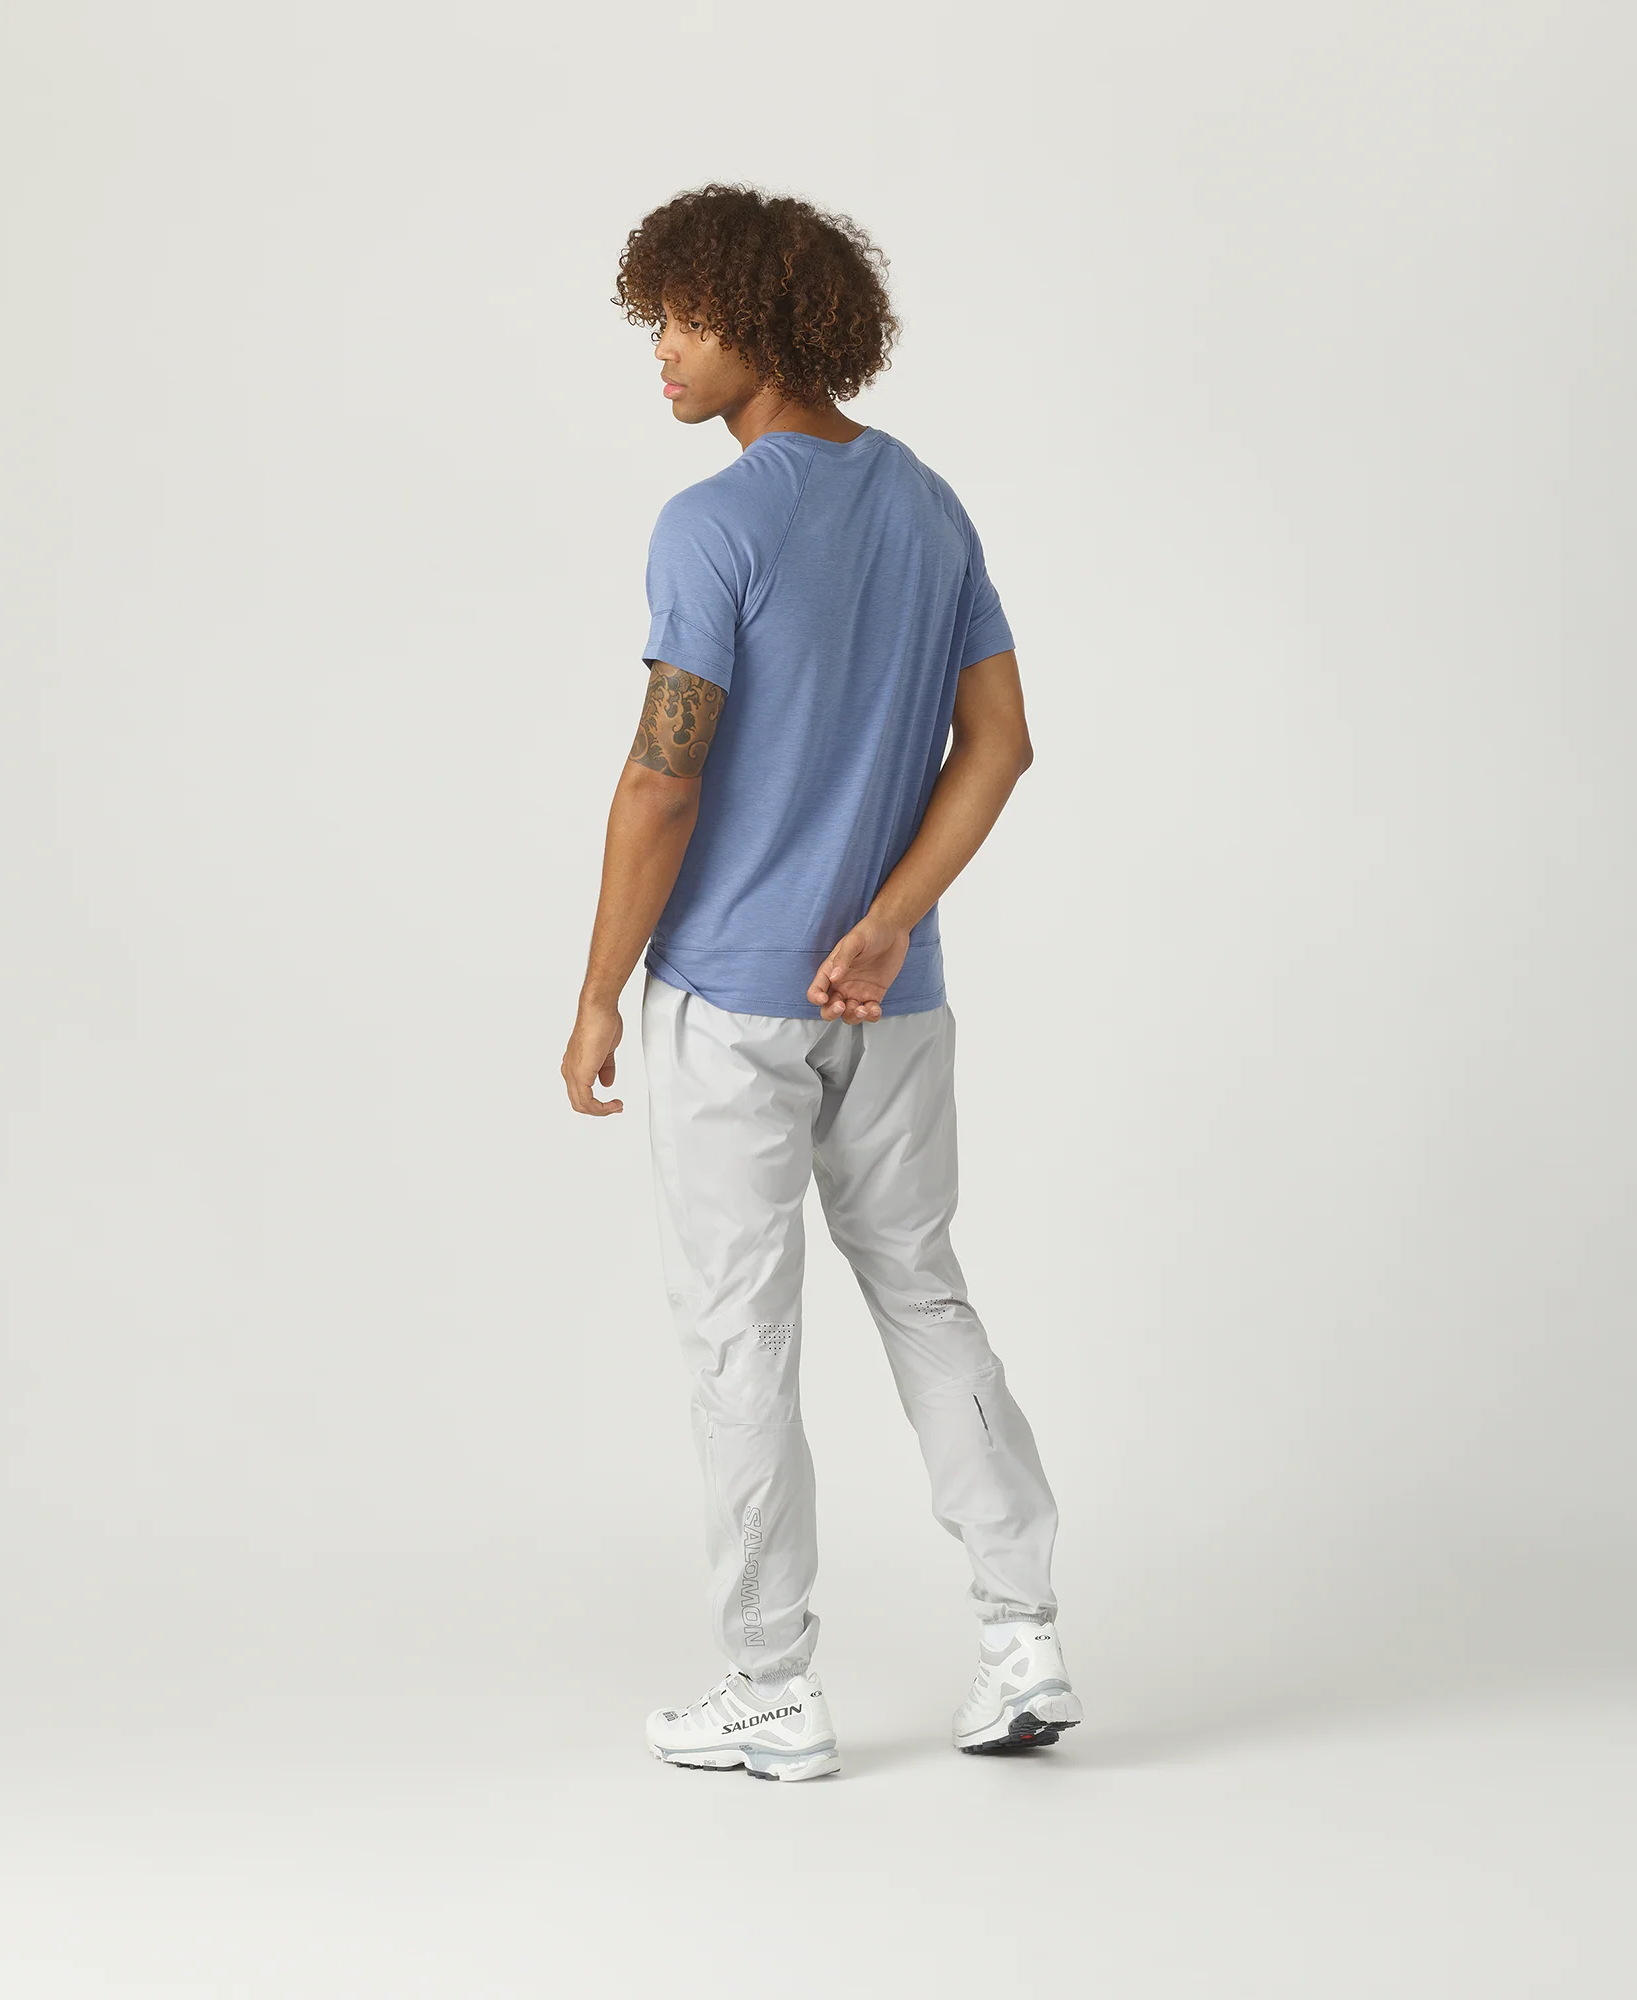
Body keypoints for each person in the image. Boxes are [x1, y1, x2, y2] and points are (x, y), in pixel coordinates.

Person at [561, 184, 1081, 1781]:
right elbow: (999, 744)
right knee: (924, 1291)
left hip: (730, 1001)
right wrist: (889, 918)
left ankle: (772, 1685)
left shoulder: (711, 526)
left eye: (685, 317)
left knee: (742, 1337)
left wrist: (597, 992)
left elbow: (662, 780)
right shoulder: (927, 507)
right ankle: (1023, 1640)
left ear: (763, 323)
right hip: (891, 1001)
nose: (661, 349)